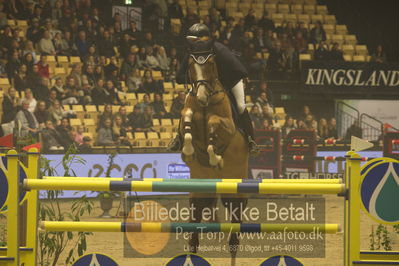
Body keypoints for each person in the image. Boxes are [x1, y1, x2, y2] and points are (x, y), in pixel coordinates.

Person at [168, 23, 258, 154]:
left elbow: (241, 71)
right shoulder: (192, 53)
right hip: (204, 84)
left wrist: (221, 86)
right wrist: (196, 79)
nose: (192, 43)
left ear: (205, 39)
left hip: (231, 81)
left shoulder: (220, 50)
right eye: (191, 40)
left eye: (194, 40)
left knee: (240, 106)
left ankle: (251, 140)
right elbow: (179, 77)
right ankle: (179, 138)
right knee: (187, 103)